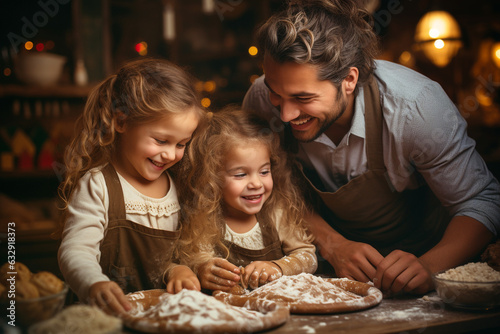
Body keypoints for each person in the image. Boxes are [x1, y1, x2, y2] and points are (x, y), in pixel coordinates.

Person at [243, 0, 500, 295]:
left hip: (428, 260)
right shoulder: (261, 101)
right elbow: (272, 190)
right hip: (325, 269)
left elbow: (481, 202)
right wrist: (332, 243)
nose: (285, 115)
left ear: (349, 80)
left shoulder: (416, 107)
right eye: (277, 94)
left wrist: (430, 266)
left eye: (303, 98)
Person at [58, 58, 205, 314]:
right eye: (161, 140)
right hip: (103, 321)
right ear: (122, 122)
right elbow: (76, 250)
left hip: (158, 319)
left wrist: (178, 270)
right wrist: (94, 283)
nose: (171, 154)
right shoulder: (98, 186)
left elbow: (173, 258)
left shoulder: (180, 187)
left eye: (181, 144)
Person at [175, 107, 317, 292]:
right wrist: (203, 270)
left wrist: (278, 268)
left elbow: (308, 257)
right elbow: (193, 261)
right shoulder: (204, 218)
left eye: (264, 172)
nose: (256, 183)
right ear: (212, 178)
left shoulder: (277, 210)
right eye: (241, 174)